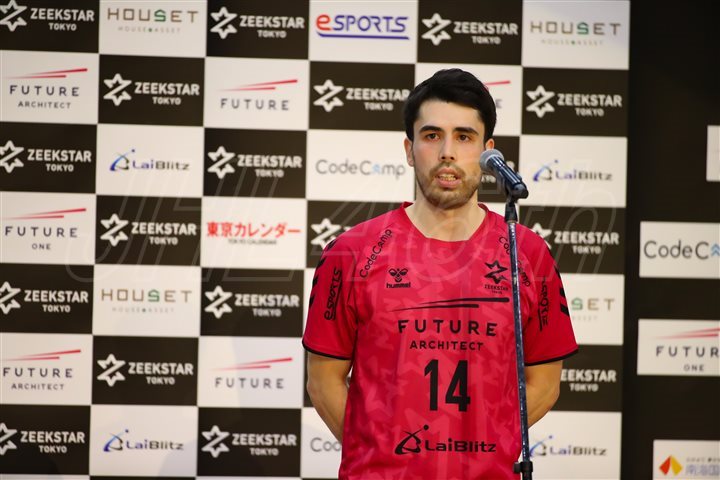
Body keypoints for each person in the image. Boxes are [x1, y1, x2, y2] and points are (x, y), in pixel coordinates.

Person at [302, 68, 578, 480]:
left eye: (464, 137)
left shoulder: (529, 254)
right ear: (409, 149)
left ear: (487, 152)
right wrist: (381, 454)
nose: (447, 152)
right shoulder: (351, 252)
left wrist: (485, 451)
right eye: (432, 136)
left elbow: (545, 383)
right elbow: (323, 382)